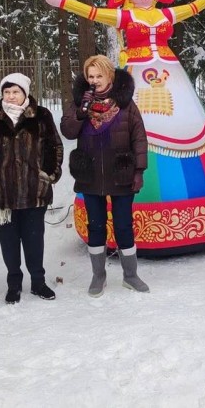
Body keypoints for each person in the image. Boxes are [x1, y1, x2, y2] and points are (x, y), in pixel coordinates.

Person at [45, 0, 205, 255]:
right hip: (136, 74)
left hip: (170, 75)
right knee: (132, 126)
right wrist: (62, 2)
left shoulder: (166, 15)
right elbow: (93, 12)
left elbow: (194, 7)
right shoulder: (124, 17)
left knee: (184, 125)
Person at [60, 54, 149, 296]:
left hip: (121, 173)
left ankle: (130, 276)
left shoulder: (125, 103)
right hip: (90, 175)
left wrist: (139, 171)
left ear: (109, 75)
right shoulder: (80, 102)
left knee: (123, 226)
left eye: (99, 75)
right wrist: (81, 112)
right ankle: (98, 276)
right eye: (90, 76)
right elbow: (67, 131)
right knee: (96, 226)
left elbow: (139, 138)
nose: (95, 80)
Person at [0, 73, 63, 304]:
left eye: (15, 92)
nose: (11, 96)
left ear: (25, 93)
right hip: (2, 194)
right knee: (9, 242)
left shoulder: (41, 116)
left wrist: (48, 175)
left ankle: (38, 282)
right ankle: (14, 283)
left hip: (34, 192)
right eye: (7, 92)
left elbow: (54, 148)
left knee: (34, 240)